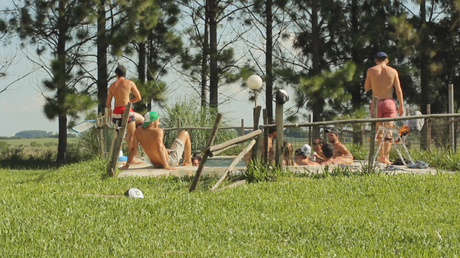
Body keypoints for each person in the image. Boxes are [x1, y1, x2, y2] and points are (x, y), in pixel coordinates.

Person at [364, 51, 404, 164]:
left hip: (377, 102)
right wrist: (401, 105)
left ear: (376, 60)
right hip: (389, 101)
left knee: (378, 131)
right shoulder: (393, 71)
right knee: (389, 131)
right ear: (386, 59)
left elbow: (367, 87)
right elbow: (398, 90)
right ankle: (386, 157)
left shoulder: (371, 70)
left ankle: (381, 156)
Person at [122, 111, 192, 170]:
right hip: (169, 161)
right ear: (152, 122)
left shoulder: (138, 131)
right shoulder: (158, 131)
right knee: (185, 133)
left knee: (167, 150)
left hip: (155, 164)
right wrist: (167, 166)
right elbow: (160, 148)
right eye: (158, 121)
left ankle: (177, 158)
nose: (159, 123)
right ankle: (188, 162)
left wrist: (127, 165)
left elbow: (133, 149)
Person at [106, 65, 142, 163]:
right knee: (132, 135)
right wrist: (129, 101)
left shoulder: (112, 86)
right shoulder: (130, 83)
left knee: (118, 136)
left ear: (116, 74)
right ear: (124, 74)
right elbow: (138, 97)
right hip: (127, 111)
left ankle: (116, 157)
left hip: (116, 113)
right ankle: (132, 158)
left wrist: (110, 111)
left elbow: (108, 103)